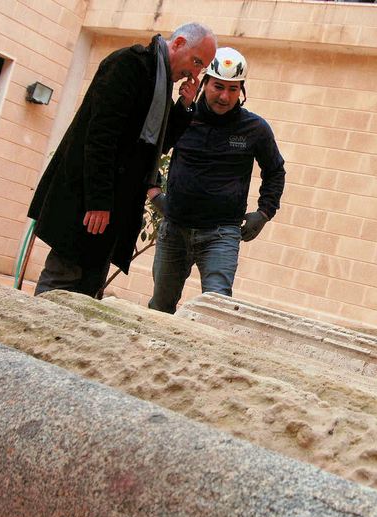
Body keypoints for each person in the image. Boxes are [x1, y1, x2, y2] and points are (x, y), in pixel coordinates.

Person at [28, 23, 217, 297]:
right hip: (88, 201)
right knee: (64, 275)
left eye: (202, 67)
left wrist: (184, 107)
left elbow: (153, 147)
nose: (195, 73)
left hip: (115, 206)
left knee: (88, 286)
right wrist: (98, 201)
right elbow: (100, 137)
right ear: (177, 44)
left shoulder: (159, 81)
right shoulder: (130, 65)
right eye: (196, 61)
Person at [147, 47, 285, 313]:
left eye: (233, 89)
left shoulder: (255, 129)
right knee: (160, 307)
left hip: (221, 235)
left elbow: (275, 170)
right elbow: (150, 151)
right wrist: (154, 192)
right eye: (218, 87)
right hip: (174, 229)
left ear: (241, 90)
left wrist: (265, 212)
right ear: (205, 83)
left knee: (216, 311)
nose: (224, 96)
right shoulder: (183, 117)